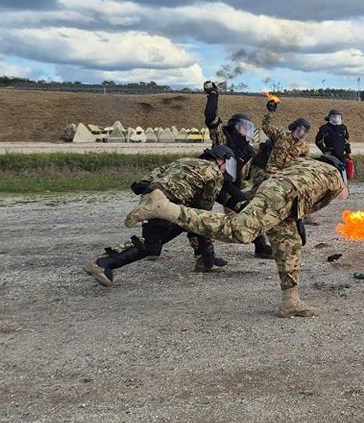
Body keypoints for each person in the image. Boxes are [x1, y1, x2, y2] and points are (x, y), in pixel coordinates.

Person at [123, 157, 348, 317]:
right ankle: (164, 208)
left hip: (279, 193)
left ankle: (291, 302)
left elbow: (275, 183)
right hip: (285, 196)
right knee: (240, 231)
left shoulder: (304, 163)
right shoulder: (334, 176)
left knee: (289, 245)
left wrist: (291, 218)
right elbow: (337, 196)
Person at [83, 145, 243, 286]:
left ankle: (205, 262)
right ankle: (102, 264)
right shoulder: (214, 173)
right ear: (220, 160)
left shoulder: (185, 160)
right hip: (167, 202)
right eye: (227, 164)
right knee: (155, 243)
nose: (226, 169)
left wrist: (144, 185)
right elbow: (203, 212)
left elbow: (157, 172)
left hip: (153, 195)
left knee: (162, 236)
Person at [203, 81, 272, 259]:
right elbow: (211, 117)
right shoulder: (222, 137)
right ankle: (203, 254)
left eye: (248, 128)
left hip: (229, 187)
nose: (247, 131)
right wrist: (213, 96)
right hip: (209, 182)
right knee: (198, 215)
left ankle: (261, 247)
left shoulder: (248, 150)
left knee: (248, 210)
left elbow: (251, 169)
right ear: (235, 126)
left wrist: (267, 149)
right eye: (244, 127)